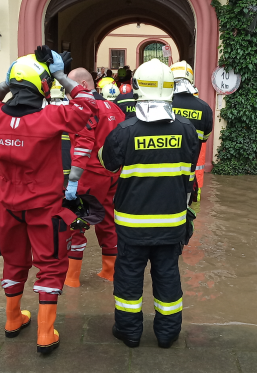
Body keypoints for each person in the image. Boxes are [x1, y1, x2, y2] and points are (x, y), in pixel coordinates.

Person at [0, 46, 95, 355]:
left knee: (14, 263)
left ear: (13, 85)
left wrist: (8, 80)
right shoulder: (51, 117)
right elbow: (87, 105)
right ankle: (44, 333)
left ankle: (13, 319)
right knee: (50, 268)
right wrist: (59, 75)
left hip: (6, 206)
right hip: (44, 208)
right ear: (43, 85)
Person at [99, 58, 200, 348]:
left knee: (129, 275)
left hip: (132, 224)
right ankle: (167, 334)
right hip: (172, 223)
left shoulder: (125, 130)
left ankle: (129, 332)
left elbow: (106, 165)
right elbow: (189, 174)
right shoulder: (187, 130)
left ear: (138, 89)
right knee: (167, 274)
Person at [63, 68, 125, 287]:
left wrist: (72, 179)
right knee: (108, 221)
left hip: (88, 175)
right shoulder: (115, 108)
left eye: (71, 86)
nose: (68, 92)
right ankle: (110, 272)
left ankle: (71, 279)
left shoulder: (84, 109)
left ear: (83, 84)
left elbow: (83, 144)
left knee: (76, 224)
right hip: (112, 175)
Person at [170, 61, 213, 203]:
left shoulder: (165, 104)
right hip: (189, 176)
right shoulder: (204, 108)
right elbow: (205, 138)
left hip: (164, 173)